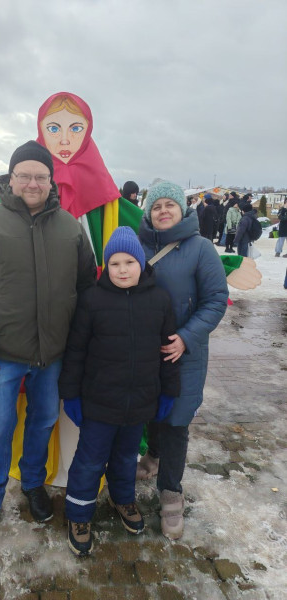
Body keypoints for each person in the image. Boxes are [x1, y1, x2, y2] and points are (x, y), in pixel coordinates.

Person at [0, 140, 97, 544]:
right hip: (0, 355)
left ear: (51, 181)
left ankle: (33, 482)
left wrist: (80, 345)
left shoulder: (70, 227)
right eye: (25, 175)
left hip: (53, 354)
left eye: (41, 176)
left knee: (43, 421)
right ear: (10, 178)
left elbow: (86, 288)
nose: (33, 183)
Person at [59, 227, 180, 556]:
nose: (122, 270)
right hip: (99, 403)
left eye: (129, 262)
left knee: (126, 457)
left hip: (140, 402)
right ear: (106, 267)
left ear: (141, 264)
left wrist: (168, 392)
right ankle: (79, 514)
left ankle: (122, 498)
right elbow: (76, 352)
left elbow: (168, 353)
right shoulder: (92, 300)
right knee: (90, 460)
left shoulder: (159, 300)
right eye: (114, 263)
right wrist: (71, 395)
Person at [137, 180, 228, 539]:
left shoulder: (200, 248)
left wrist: (186, 338)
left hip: (183, 353)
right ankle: (153, 454)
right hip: (143, 352)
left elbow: (216, 299)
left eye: (169, 205)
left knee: (176, 421)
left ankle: (171, 492)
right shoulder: (137, 244)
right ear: (148, 212)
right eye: (156, 206)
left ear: (182, 209)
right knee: (149, 410)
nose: (163, 211)